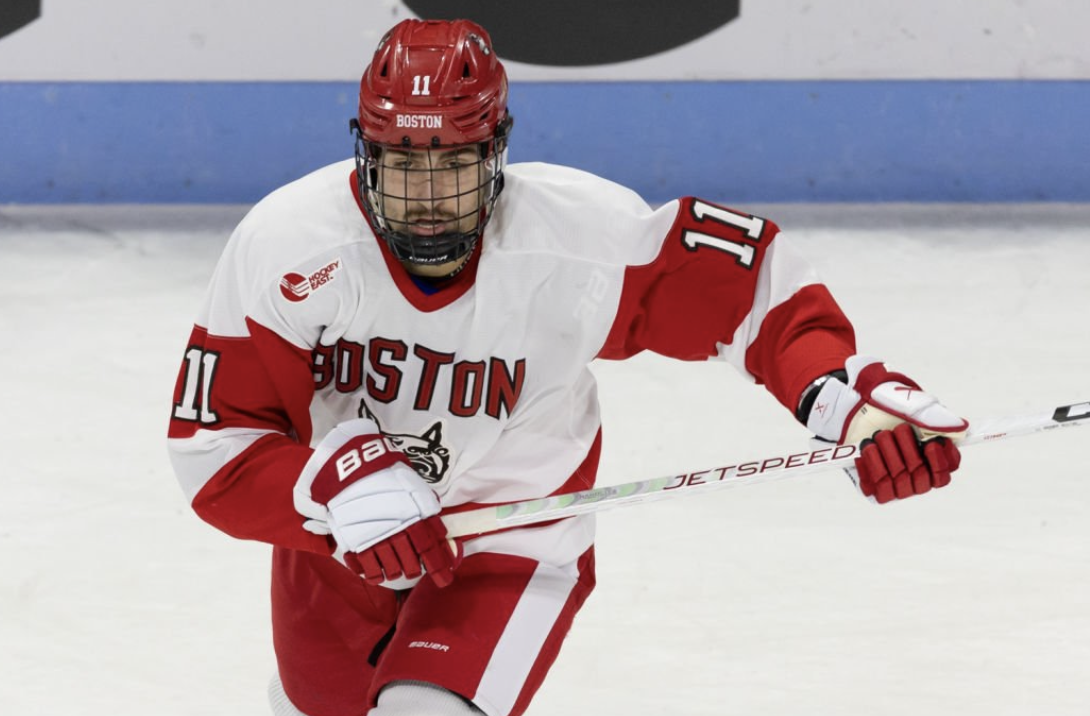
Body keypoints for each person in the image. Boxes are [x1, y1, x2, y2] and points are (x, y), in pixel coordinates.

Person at [166, 17, 968, 716]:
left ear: (499, 150)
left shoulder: (570, 244)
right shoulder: (289, 248)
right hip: (344, 544)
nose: (431, 196)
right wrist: (328, 488)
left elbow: (747, 288)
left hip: (512, 539)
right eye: (406, 166)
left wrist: (845, 402)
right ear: (365, 154)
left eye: (455, 165)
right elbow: (215, 455)